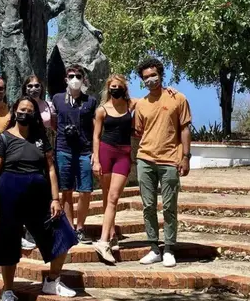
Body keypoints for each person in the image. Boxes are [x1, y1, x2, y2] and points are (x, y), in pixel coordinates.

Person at [0, 96, 78, 301]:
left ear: (35, 114)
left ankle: (52, 280)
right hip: (8, 196)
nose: (25, 113)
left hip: (39, 197)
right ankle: (8, 291)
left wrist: (55, 199)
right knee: (8, 244)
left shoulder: (40, 138)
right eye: (22, 109)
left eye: (29, 110)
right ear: (15, 111)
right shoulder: (4, 139)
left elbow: (51, 169)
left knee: (63, 234)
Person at [92, 75, 179, 264]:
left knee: (113, 197)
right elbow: (96, 136)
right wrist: (96, 160)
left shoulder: (131, 104)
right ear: (108, 88)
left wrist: (168, 90)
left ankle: (103, 241)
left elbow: (152, 97)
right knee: (108, 197)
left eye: (119, 86)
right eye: (113, 86)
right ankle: (110, 236)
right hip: (106, 152)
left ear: (124, 88)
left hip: (123, 154)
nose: (115, 89)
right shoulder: (101, 110)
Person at [135, 58, 192, 268]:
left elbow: (185, 128)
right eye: (146, 77)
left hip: (170, 160)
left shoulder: (178, 98)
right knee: (148, 205)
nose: (150, 79)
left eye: (153, 75)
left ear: (160, 74)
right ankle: (154, 248)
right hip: (145, 159)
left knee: (169, 206)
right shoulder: (141, 104)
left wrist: (185, 157)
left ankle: (169, 248)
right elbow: (139, 132)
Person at [51, 65, 98, 244]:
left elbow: (95, 128)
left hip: (84, 150)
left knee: (85, 190)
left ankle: (80, 228)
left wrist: (95, 152)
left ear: (84, 79)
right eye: (71, 76)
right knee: (66, 190)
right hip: (64, 149)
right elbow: (53, 122)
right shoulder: (57, 99)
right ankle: (70, 229)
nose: (75, 79)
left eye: (78, 76)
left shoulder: (90, 101)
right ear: (66, 79)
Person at [21, 74, 57, 250]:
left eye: (37, 85)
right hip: (28, 148)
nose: (33, 89)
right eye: (30, 86)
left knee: (45, 192)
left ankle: (43, 229)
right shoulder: (22, 105)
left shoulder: (49, 105)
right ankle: (28, 232)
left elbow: (55, 126)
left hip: (46, 148)